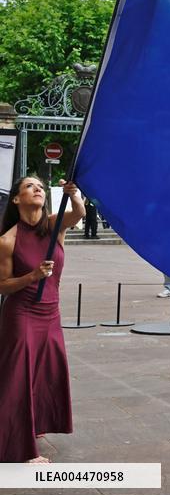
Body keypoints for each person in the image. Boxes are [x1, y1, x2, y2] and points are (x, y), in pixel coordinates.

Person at [0, 176, 85, 463]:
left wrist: (73, 194)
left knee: (43, 375)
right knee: (18, 379)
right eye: (28, 186)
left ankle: (32, 426)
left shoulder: (53, 224)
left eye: (39, 186)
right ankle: (19, 450)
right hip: (22, 314)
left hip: (51, 313)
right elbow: (2, 285)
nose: (36, 189)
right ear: (16, 199)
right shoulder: (7, 239)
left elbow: (79, 214)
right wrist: (32, 276)